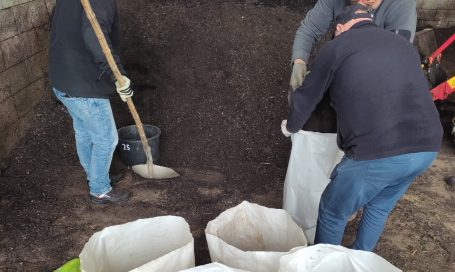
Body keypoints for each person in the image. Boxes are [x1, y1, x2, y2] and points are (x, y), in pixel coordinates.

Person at [281, 4, 443, 251]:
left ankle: (327, 266)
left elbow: (305, 98)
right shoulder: (402, 46)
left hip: (377, 150)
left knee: (332, 210)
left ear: (339, 28)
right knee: (378, 207)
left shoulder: (336, 47)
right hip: (426, 147)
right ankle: (360, 260)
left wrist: (291, 127)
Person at [49, 0, 133, 204]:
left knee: (85, 133)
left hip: (63, 79)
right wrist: (117, 76)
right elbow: (96, 37)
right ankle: (100, 190)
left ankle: (96, 176)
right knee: (106, 138)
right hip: (84, 84)